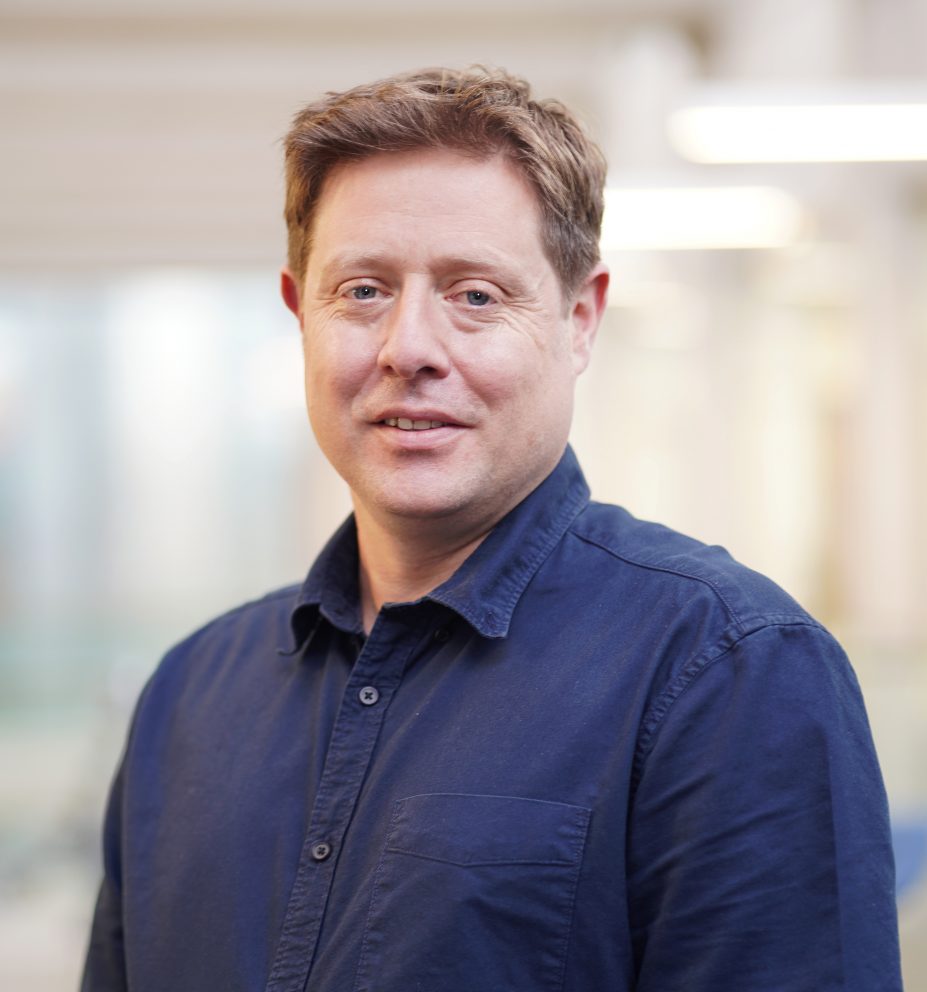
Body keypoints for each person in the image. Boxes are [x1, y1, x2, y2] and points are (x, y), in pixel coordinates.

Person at [82, 67, 902, 992]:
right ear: (299, 312)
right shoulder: (190, 695)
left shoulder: (728, 672)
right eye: (362, 291)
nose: (408, 348)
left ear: (578, 320)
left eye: (474, 295)